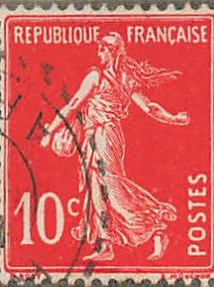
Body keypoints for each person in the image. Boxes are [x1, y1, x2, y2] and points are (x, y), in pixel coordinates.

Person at [42, 32, 189, 262]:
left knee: (111, 186)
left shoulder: (98, 76)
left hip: (105, 135)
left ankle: (156, 223)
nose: (98, 54)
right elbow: (151, 107)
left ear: (111, 51)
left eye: (101, 49)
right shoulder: (125, 78)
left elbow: (73, 104)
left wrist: (50, 130)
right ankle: (105, 244)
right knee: (96, 188)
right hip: (96, 134)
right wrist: (174, 118)